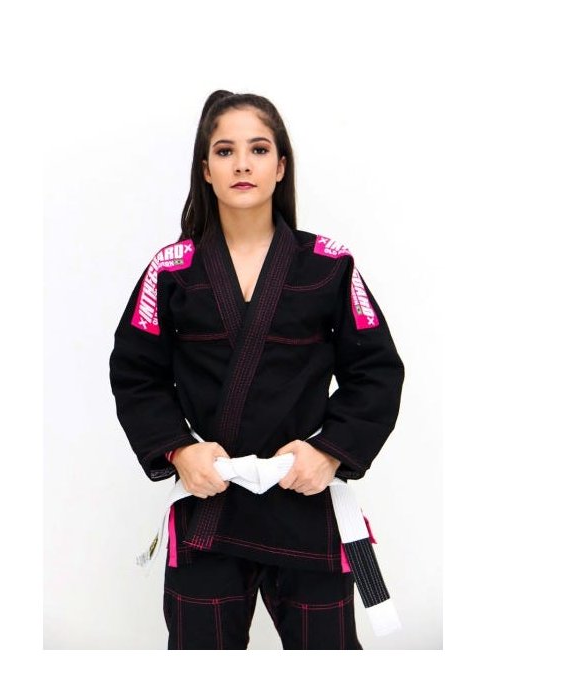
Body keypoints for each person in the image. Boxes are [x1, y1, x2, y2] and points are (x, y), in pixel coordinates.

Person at [109, 90, 404, 650]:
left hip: (305, 501)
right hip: (210, 504)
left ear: (281, 165)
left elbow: (377, 371)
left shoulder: (328, 264)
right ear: (206, 169)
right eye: (225, 151)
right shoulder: (172, 269)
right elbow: (135, 373)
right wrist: (179, 451)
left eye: (259, 149)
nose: (242, 164)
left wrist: (330, 451)